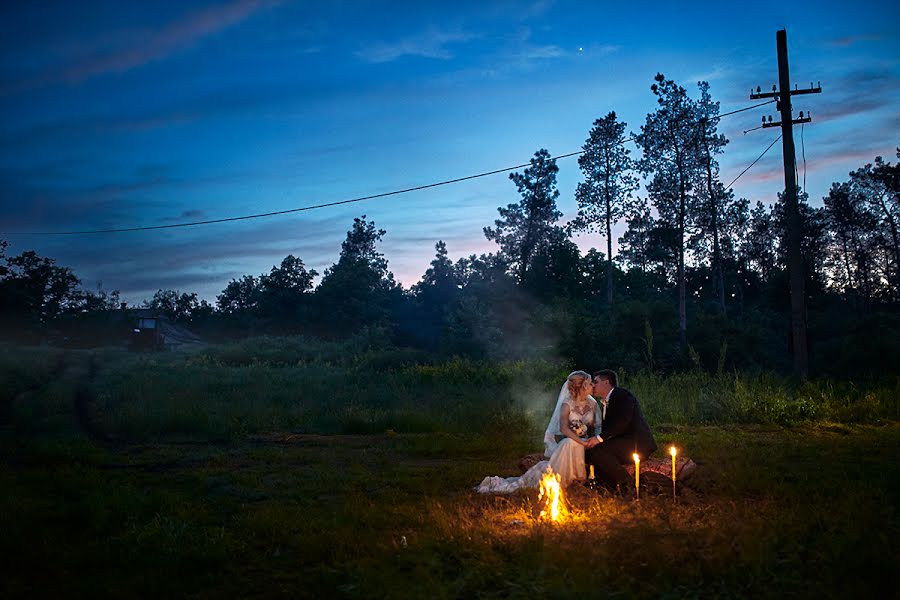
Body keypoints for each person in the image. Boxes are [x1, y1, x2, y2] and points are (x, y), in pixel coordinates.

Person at [476, 371, 600, 494]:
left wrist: (591, 440)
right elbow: (564, 429)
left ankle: (579, 479)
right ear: (582, 386)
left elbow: (597, 426)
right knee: (569, 442)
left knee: (571, 443)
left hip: (587, 439)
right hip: (572, 439)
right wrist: (580, 441)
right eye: (590, 383)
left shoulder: (593, 404)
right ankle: (567, 479)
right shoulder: (567, 404)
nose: (593, 386)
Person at [584, 369, 657, 494]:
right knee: (591, 452)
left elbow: (623, 422)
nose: (593, 385)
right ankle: (608, 486)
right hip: (623, 442)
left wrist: (599, 439)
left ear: (606, 383)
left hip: (637, 443)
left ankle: (628, 486)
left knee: (599, 450)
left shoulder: (623, 395)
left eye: (595, 382)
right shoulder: (605, 402)